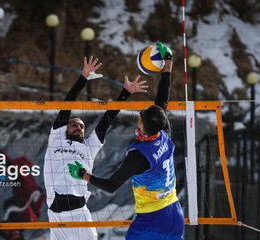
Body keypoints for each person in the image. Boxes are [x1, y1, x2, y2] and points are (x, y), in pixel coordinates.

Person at [67, 45, 184, 240]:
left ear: (142, 125)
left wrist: (82, 174)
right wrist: (168, 63)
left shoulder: (139, 156)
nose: (139, 114)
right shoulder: (163, 133)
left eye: (141, 115)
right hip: (174, 213)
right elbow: (163, 100)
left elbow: (112, 185)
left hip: (151, 220)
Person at [43, 56, 148, 240]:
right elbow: (68, 104)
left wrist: (125, 93)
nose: (78, 127)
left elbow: (106, 121)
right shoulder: (56, 137)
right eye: (74, 124)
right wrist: (83, 77)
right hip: (56, 215)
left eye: (82, 126)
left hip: (79, 214)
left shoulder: (88, 147)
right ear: (65, 127)